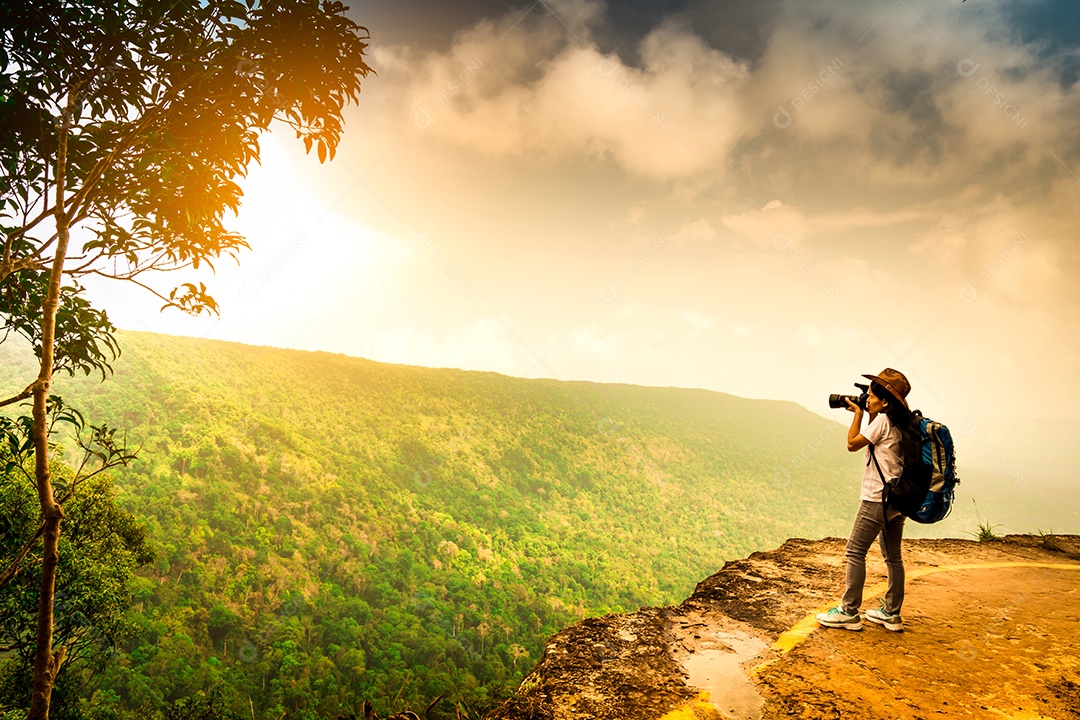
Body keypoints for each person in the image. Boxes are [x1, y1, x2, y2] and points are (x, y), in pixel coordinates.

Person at [816, 368, 916, 633]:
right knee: (893, 556)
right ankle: (891, 613)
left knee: (855, 551)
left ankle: (849, 612)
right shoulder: (901, 422)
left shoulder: (881, 421)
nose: (867, 398)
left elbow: (852, 444)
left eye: (871, 396)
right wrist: (868, 410)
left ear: (885, 402)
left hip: (876, 499)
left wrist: (858, 415)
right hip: (898, 498)